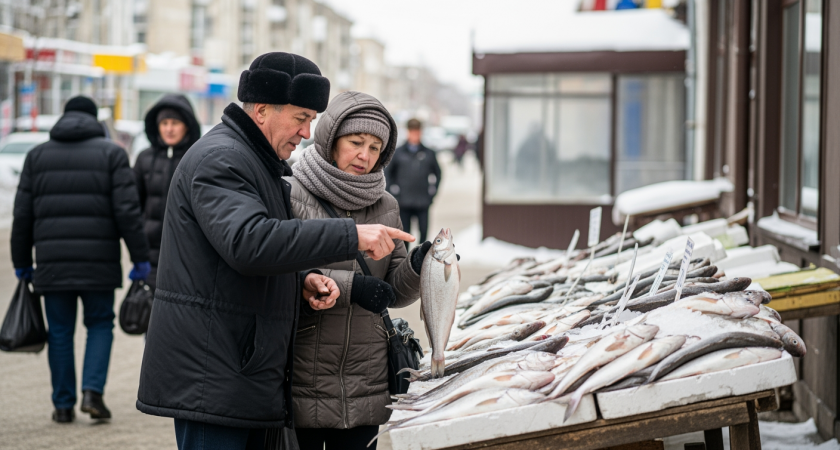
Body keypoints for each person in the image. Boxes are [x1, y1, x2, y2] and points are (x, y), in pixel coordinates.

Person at [136, 52, 414, 450]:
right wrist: (350, 235)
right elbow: (249, 242)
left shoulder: (255, 161)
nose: (305, 132)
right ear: (263, 110)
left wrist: (301, 280)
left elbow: (253, 253)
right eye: (301, 118)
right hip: (212, 373)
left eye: (312, 121)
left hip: (237, 368)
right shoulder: (222, 159)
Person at [286, 91, 429, 450]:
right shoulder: (291, 192)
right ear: (331, 139)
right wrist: (352, 287)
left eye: (375, 147)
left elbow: (394, 292)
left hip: (366, 380)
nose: (365, 155)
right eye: (356, 142)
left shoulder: (385, 204)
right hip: (303, 375)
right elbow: (282, 270)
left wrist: (416, 266)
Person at [11, 96, 151, 423]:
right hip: (98, 263)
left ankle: (62, 404)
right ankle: (92, 393)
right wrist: (139, 258)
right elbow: (128, 213)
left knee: (60, 331)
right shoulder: (112, 154)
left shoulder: (37, 156)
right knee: (99, 324)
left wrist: (21, 261)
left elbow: (22, 215)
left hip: (51, 263)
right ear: (94, 120)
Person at [133, 94, 201, 291]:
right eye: (164, 123)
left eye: (175, 123)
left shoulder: (199, 158)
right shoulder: (144, 159)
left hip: (187, 254)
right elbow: (133, 203)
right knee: (147, 314)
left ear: (187, 125)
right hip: (150, 255)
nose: (169, 129)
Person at [384, 118, 441, 246]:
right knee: (405, 235)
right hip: (404, 202)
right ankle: (405, 262)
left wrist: (432, 192)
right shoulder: (398, 153)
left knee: (423, 233)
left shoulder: (428, 153)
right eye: (412, 131)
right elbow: (388, 174)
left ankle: (420, 261)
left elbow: (438, 174)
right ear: (408, 132)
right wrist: (393, 192)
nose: (415, 135)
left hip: (423, 201)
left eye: (417, 131)